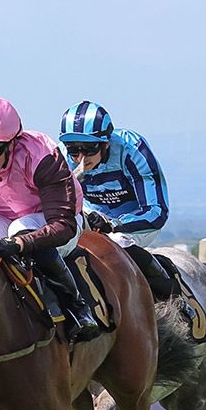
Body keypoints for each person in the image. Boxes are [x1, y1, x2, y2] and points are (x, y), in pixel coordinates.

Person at [0, 94, 101, 342]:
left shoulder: (41, 157)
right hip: (4, 216)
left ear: (12, 143)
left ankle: (77, 308)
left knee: (20, 230)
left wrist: (18, 244)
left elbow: (62, 227)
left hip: (59, 220)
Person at [58, 101, 175, 300]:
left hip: (137, 219)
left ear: (106, 143)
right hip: (91, 214)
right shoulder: (62, 156)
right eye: (73, 149)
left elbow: (157, 211)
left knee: (117, 241)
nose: (81, 158)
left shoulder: (133, 150)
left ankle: (173, 298)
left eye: (89, 148)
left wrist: (115, 224)